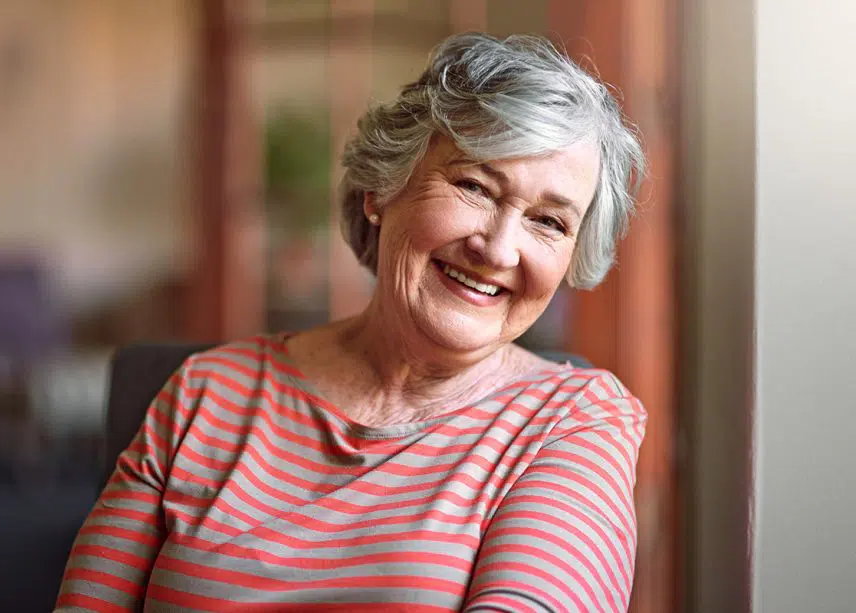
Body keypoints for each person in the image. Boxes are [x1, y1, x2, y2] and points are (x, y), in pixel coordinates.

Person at [56, 32, 646, 612]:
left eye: (549, 222)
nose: (498, 249)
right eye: (474, 186)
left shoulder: (574, 423)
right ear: (380, 191)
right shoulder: (204, 394)